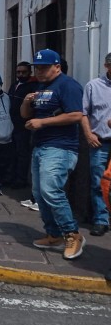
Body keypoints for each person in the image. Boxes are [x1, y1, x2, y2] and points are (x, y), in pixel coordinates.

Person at [22, 49, 85, 260]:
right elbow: (26, 115)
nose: (39, 71)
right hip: (41, 146)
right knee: (39, 194)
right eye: (37, 68)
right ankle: (53, 234)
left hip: (61, 147)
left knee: (51, 190)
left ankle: (72, 234)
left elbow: (76, 114)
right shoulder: (42, 87)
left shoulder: (68, 85)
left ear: (57, 66)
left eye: (44, 67)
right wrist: (26, 103)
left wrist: (43, 122)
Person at [80, 52, 111, 237]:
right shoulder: (93, 86)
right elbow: (84, 113)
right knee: (98, 182)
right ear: (106, 66)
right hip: (100, 141)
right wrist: (88, 134)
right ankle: (101, 219)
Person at [8, 61, 37, 188]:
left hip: (24, 125)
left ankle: (21, 179)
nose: (20, 74)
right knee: (12, 152)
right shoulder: (14, 85)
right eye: (18, 72)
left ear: (29, 72)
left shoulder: (33, 86)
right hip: (12, 124)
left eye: (23, 72)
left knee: (22, 153)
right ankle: (11, 176)